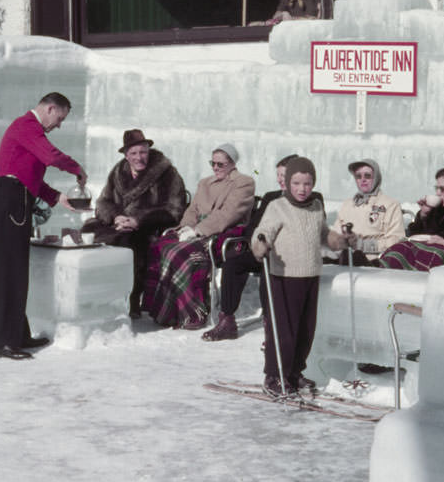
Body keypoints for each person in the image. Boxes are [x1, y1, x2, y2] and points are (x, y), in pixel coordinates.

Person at [0, 92, 87, 360]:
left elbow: (30, 178)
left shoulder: (28, 133)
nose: (59, 125)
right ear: (50, 108)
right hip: (10, 201)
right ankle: (2, 343)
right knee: (8, 272)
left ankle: (17, 335)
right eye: (60, 118)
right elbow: (51, 157)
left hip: (16, 200)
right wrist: (76, 168)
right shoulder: (27, 126)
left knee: (17, 270)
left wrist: (57, 197)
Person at [252, 157, 346, 397]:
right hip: (284, 276)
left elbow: (324, 234)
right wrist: (261, 244)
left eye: (307, 183)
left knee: (306, 329)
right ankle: (274, 374)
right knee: (283, 330)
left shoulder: (315, 207)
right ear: (287, 183)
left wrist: (339, 240)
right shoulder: (277, 206)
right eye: (296, 183)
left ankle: (294, 372)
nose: (302, 189)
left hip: (311, 274)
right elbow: (263, 232)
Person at [142, 143, 255, 330]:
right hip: (197, 230)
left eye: (221, 164)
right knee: (160, 246)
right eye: (213, 163)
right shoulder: (205, 183)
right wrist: (186, 227)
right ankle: (163, 309)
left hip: (222, 233)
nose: (216, 168)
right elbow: (192, 210)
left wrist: (197, 231)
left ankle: (192, 313)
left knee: (179, 254)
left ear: (232, 164)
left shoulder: (244, 182)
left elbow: (229, 214)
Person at [82, 129, 187, 318]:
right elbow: (103, 201)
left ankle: (130, 299)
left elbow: (175, 209)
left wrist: (139, 220)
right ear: (126, 155)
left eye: (143, 152)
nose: (139, 157)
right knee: (88, 233)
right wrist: (116, 217)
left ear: (149, 151)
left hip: (148, 227)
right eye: (134, 153)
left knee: (130, 242)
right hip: (119, 223)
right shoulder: (118, 171)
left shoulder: (166, 173)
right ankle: (95, 294)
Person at [201, 153, 299, 342]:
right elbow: (253, 227)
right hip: (263, 250)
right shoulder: (271, 197)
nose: (280, 179)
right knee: (233, 264)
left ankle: (272, 327)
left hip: (288, 256)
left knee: (269, 270)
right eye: (278, 175)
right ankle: (227, 321)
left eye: (284, 175)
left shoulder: (307, 198)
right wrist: (259, 241)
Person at [378, 165, 444, 271]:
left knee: (428, 254)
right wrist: (424, 214)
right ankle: (379, 267)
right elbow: (414, 232)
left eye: (442, 189)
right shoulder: (440, 207)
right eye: (436, 188)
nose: (438, 193)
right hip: (428, 246)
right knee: (401, 247)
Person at [330, 158, 405, 266]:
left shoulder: (390, 205)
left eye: (367, 176)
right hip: (344, 258)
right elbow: (337, 232)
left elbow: (396, 240)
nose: (362, 180)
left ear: (376, 177)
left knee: (356, 257)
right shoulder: (347, 204)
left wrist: (363, 245)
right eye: (358, 176)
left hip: (373, 262)